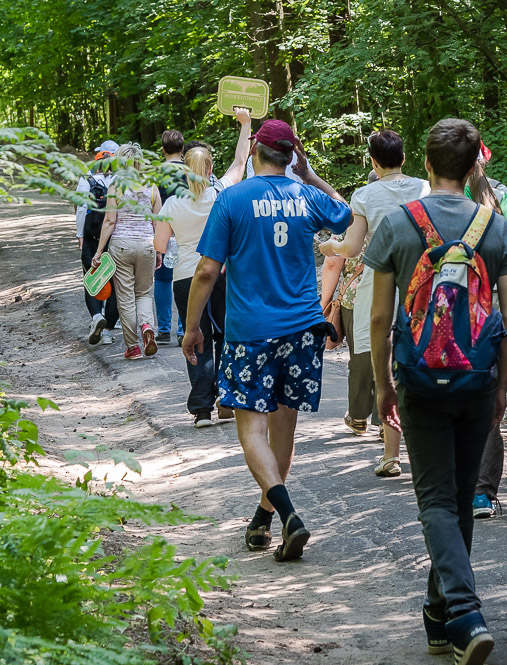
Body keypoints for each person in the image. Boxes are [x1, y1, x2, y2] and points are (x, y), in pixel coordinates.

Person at [365, 118, 507, 665]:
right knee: (458, 500)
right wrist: (501, 386)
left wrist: (383, 385)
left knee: (436, 500)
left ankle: (463, 611)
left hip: (418, 378)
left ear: (427, 165)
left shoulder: (398, 222)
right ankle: (440, 617)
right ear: (475, 165)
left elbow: (380, 316)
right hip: (477, 378)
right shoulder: (495, 226)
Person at [182, 118, 351, 562]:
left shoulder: (232, 198)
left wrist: (192, 327)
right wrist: (310, 175)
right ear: (291, 156)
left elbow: (207, 270)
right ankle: (263, 518)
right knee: (282, 430)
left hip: (251, 334)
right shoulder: (306, 195)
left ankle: (289, 515)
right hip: (302, 331)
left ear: (255, 150)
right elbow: (346, 213)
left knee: (253, 431)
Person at [318, 130, 427, 477]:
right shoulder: (425, 188)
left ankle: (391, 454)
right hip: (422, 285)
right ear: (404, 159)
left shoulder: (365, 195)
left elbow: (351, 248)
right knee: (419, 364)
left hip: (380, 286)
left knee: (384, 365)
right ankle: (423, 448)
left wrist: (329, 247)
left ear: (373, 162)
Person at [155, 108, 252, 426]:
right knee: (225, 334)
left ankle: (201, 409)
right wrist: (246, 124)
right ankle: (226, 397)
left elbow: (159, 244)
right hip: (222, 274)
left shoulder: (172, 204)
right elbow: (240, 162)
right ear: (209, 168)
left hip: (185, 277)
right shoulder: (221, 193)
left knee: (195, 336)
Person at [464, 143, 507, 521]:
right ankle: (482, 494)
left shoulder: (439, 201)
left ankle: (451, 490)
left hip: (450, 313)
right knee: (487, 405)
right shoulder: (506, 201)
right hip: (494, 310)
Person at [91, 144, 163, 361]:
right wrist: (159, 251)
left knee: (125, 297)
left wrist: (99, 251)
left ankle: (133, 347)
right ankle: (147, 325)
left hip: (122, 245)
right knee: (144, 293)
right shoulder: (151, 186)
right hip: (147, 244)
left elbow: (109, 221)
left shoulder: (116, 186)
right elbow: (157, 222)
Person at [77, 141, 121, 345]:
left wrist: (80, 236)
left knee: (92, 278)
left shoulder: (87, 179)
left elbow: (80, 209)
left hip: (92, 237)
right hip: (115, 237)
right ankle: (108, 332)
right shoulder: (122, 180)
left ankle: (96, 316)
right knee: (115, 285)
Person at [154, 129, 187, 346]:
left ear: (163, 149)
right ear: (182, 149)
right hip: (187, 231)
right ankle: (184, 329)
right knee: (186, 279)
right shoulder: (191, 171)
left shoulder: (155, 173)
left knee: (162, 279)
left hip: (163, 230)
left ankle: (164, 329)